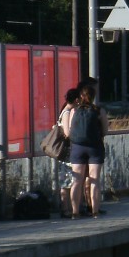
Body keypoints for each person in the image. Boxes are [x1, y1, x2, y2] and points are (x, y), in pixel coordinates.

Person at [66, 82, 108, 218]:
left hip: (77, 148)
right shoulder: (99, 110)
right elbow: (105, 131)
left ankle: (75, 212)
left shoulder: (74, 111)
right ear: (93, 96)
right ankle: (95, 212)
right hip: (95, 148)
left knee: (77, 181)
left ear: (81, 96)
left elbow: (69, 132)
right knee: (94, 180)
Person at [56, 87, 79, 218]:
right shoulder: (66, 112)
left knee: (68, 179)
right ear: (76, 100)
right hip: (66, 151)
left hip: (67, 151)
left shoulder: (66, 110)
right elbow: (67, 133)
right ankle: (65, 209)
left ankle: (68, 208)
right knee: (66, 180)